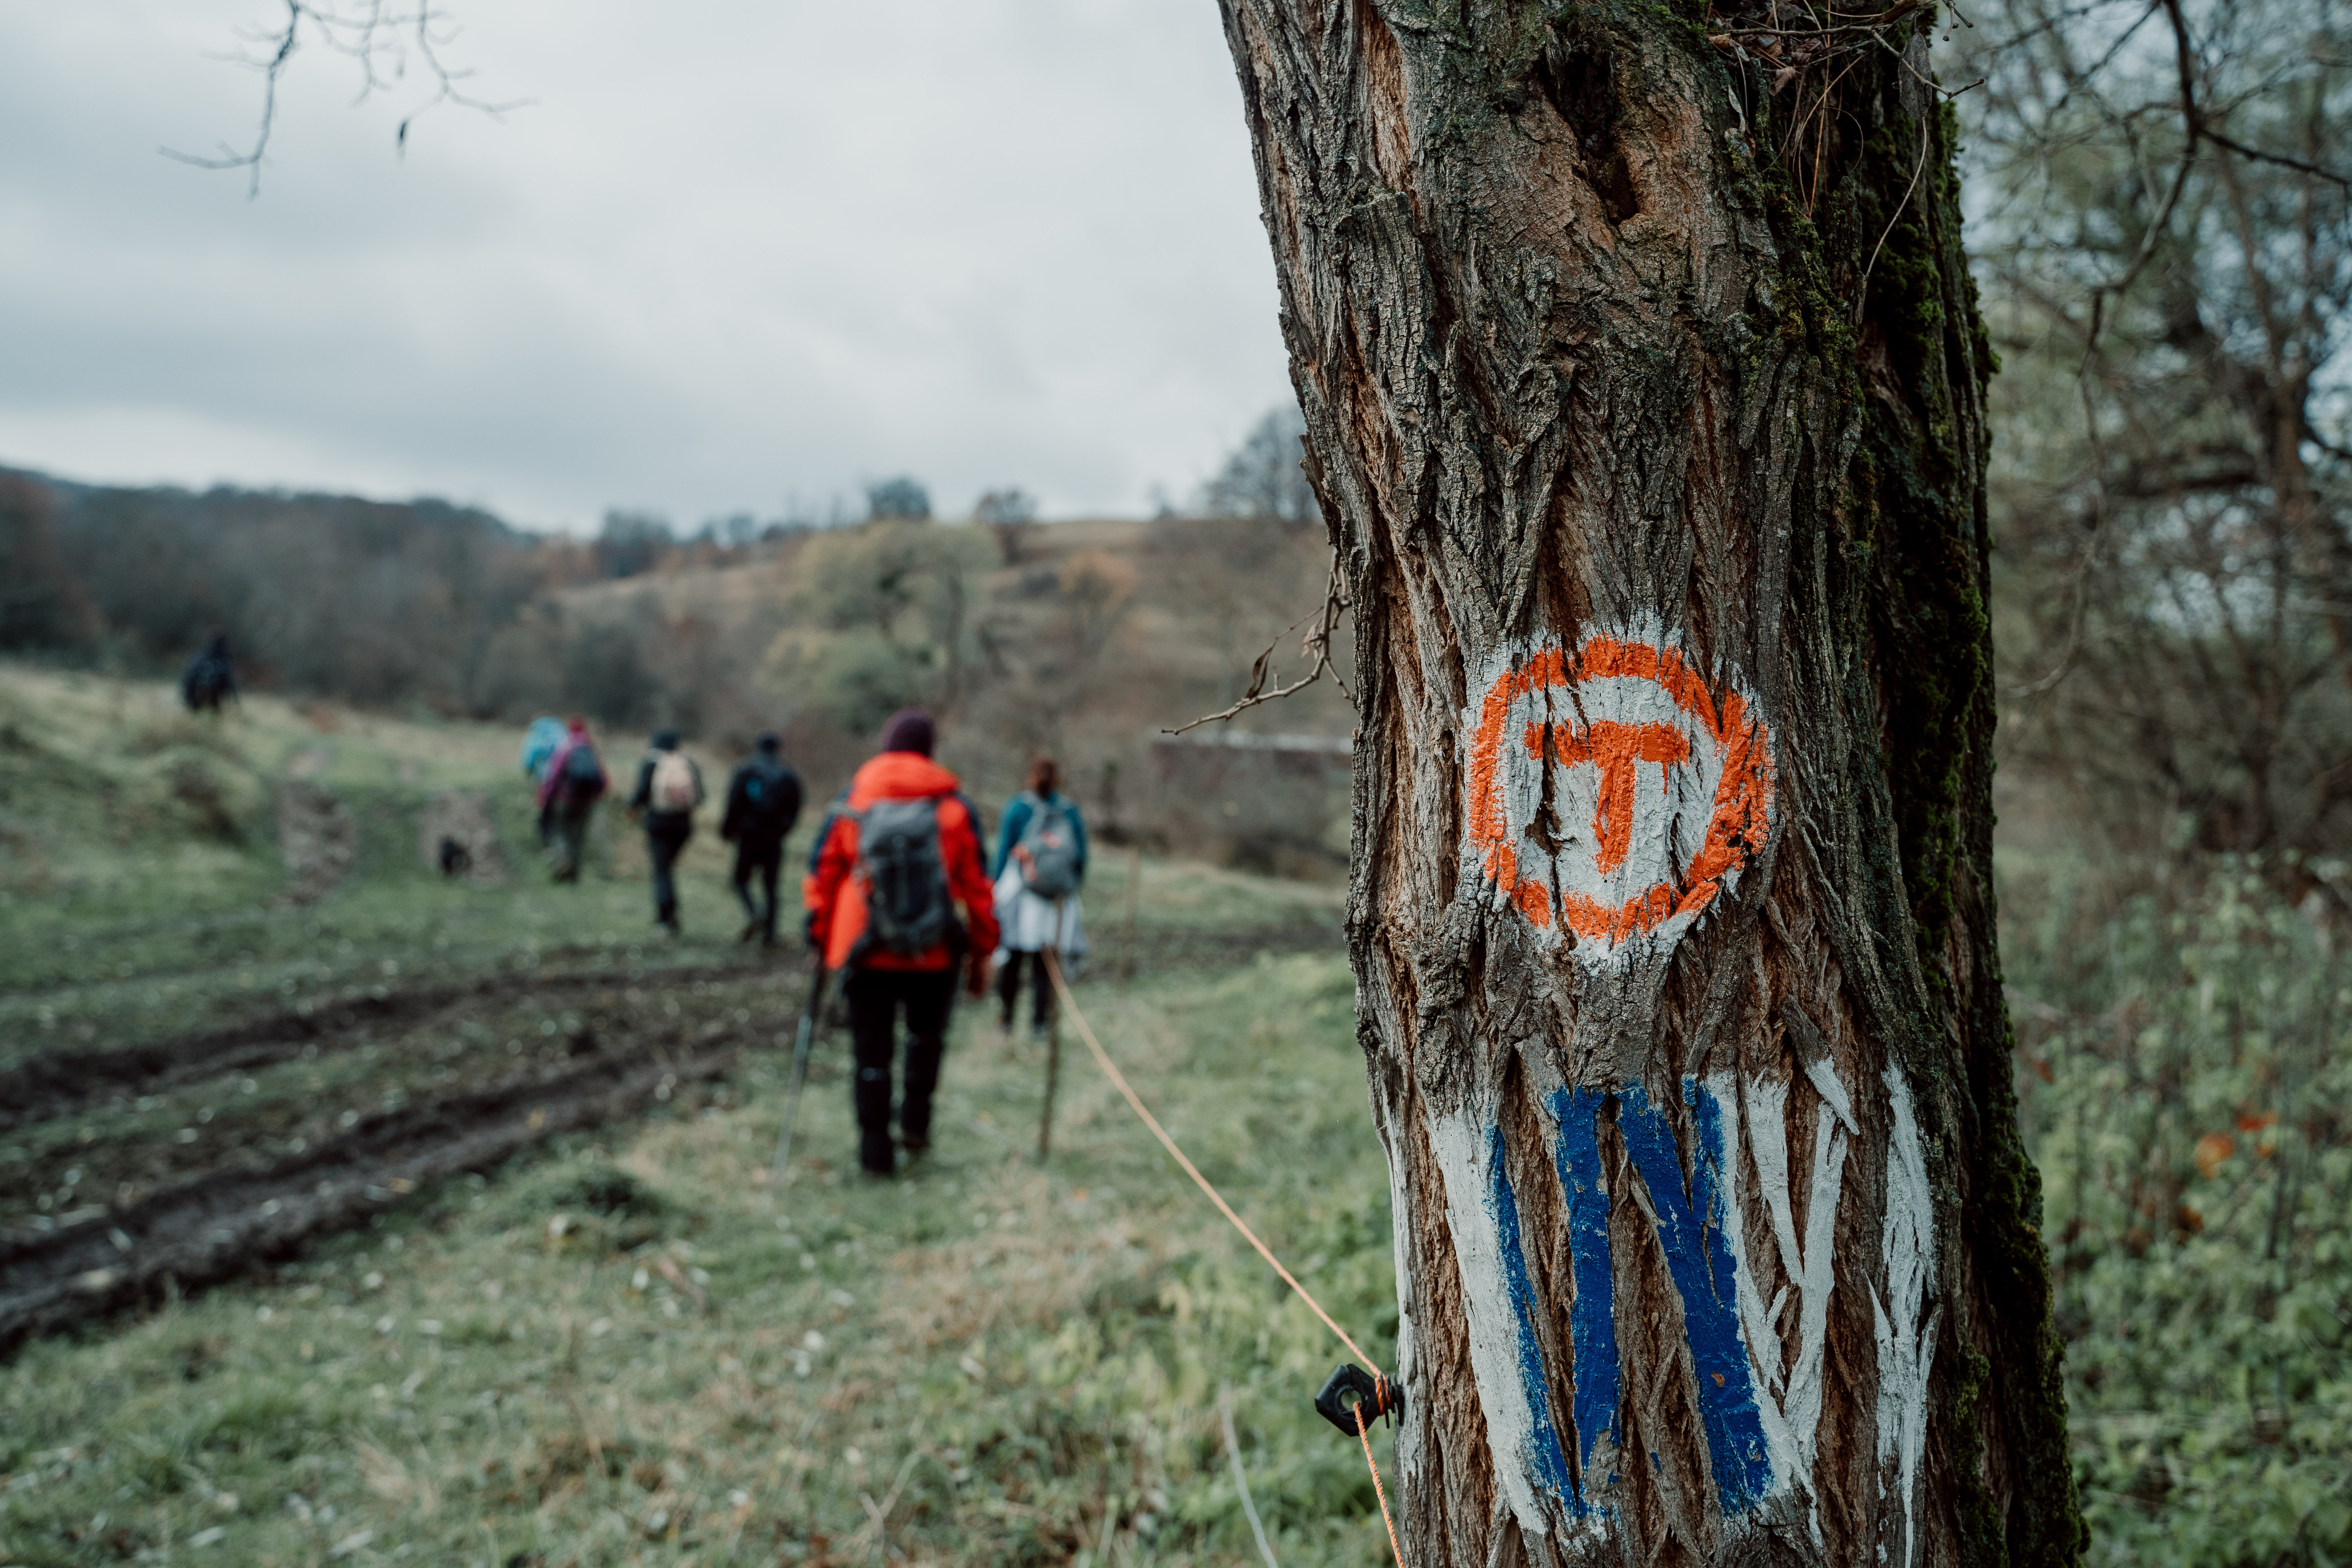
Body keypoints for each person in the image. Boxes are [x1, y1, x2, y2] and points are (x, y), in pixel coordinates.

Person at [803, 708, 998, 1176]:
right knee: (925, 1041)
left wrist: (819, 932)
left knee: (871, 1053)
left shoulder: (853, 800)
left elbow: (824, 871)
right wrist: (983, 949)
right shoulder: (953, 808)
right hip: (934, 951)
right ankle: (915, 1126)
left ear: (885, 746)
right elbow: (977, 886)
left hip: (864, 947)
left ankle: (875, 1154)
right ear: (931, 751)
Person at [991, 755, 1089, 1038]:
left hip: (1023, 897)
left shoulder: (1017, 809)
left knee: (1013, 959)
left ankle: (1006, 1023)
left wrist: (998, 890)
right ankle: (1039, 1025)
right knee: (1045, 964)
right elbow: (1081, 857)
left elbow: (1004, 854)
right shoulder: (1069, 811)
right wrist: (1070, 888)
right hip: (1054, 903)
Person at [720, 732, 803, 947]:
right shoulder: (788, 775)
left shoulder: (747, 770)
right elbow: (795, 808)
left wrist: (727, 830)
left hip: (749, 836)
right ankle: (770, 936)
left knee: (739, 880)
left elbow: (734, 801)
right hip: (774, 838)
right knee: (771, 887)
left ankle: (754, 911)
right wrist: (785, 830)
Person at [627, 729, 705, 934]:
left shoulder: (651, 763)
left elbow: (641, 795)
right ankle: (672, 914)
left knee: (662, 872)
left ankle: (666, 920)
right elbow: (701, 797)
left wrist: (633, 808)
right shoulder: (688, 764)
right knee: (668, 869)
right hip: (683, 826)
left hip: (659, 825)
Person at [536, 716, 607, 883]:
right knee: (578, 838)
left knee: (559, 833)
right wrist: (594, 796)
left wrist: (546, 798)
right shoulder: (590, 749)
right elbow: (603, 779)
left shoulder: (565, 748)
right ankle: (574, 876)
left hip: (564, 800)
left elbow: (553, 777)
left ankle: (563, 863)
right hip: (585, 802)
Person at [181, 634, 238, 714]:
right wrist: (236, 702)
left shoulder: (202, 658)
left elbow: (190, 680)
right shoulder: (224, 662)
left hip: (198, 698)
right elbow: (230, 684)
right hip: (213, 699)